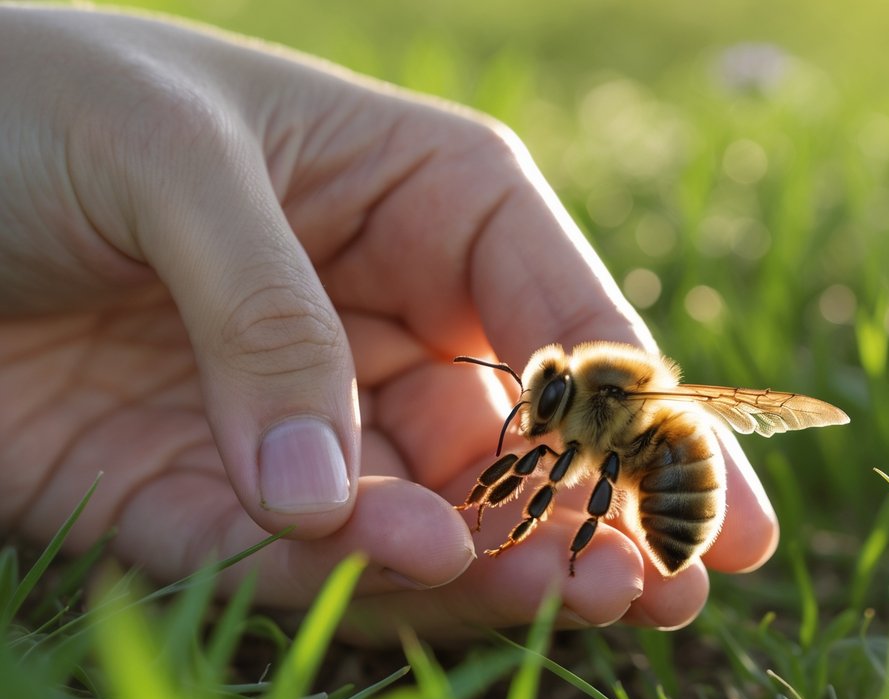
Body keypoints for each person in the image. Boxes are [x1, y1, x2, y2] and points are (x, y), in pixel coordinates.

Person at [0, 5, 780, 642]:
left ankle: (581, 552)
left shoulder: (605, 417)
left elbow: (577, 465)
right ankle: (555, 549)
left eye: (541, 409)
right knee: (544, 478)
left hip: (671, 483)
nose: (529, 418)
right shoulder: (587, 405)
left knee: (585, 477)